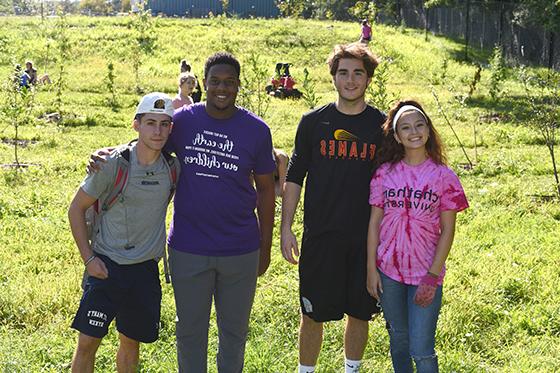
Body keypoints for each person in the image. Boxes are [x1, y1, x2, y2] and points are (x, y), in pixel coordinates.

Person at [281, 42, 385, 373]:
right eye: (343, 73)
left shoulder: (383, 127)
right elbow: (295, 176)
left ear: (368, 79)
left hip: (366, 239)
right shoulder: (313, 122)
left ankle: (351, 369)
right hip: (320, 236)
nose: (350, 80)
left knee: (359, 312)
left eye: (358, 73)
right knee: (312, 313)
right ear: (333, 77)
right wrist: (286, 228)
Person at [169, 52, 275, 372]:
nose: (222, 88)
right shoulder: (183, 121)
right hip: (188, 247)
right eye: (215, 81)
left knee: (234, 334)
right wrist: (110, 155)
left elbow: (267, 191)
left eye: (229, 82)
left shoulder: (256, 130)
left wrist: (265, 247)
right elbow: (148, 143)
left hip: (240, 249)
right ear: (204, 82)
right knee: (189, 332)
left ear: (239, 85)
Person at [68, 92, 177, 373]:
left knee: (130, 345)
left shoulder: (173, 168)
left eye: (164, 124)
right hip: (107, 267)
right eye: (150, 123)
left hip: (144, 271)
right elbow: (75, 209)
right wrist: (89, 260)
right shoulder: (111, 164)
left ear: (171, 128)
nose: (157, 131)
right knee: (88, 344)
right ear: (136, 125)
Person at [366, 100, 469, 373]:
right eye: (406, 127)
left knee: (422, 349)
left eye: (419, 125)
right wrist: (371, 270)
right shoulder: (384, 175)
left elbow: (448, 230)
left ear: (428, 130)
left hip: (426, 272)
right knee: (398, 341)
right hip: (388, 272)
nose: (414, 132)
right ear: (397, 136)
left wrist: (432, 276)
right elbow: (374, 223)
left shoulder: (444, 177)